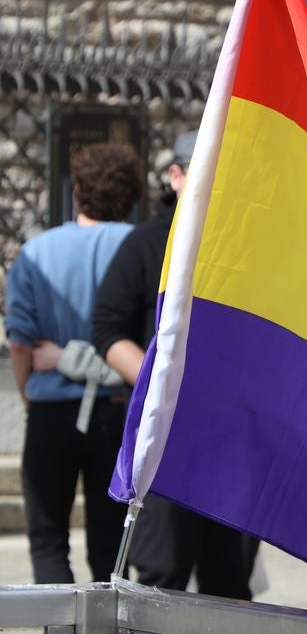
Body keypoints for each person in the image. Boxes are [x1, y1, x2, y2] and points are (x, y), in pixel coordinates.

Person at [90, 130, 255, 599]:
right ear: (176, 176)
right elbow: (107, 330)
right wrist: (164, 385)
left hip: (232, 442)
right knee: (162, 580)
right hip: (167, 440)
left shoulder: (244, 249)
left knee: (230, 586)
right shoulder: (145, 244)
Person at [5, 141, 143, 584]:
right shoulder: (141, 250)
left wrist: (28, 394)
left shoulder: (36, 252)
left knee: (48, 542)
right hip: (120, 410)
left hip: (52, 413)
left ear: (77, 189)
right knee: (111, 552)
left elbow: (21, 342)